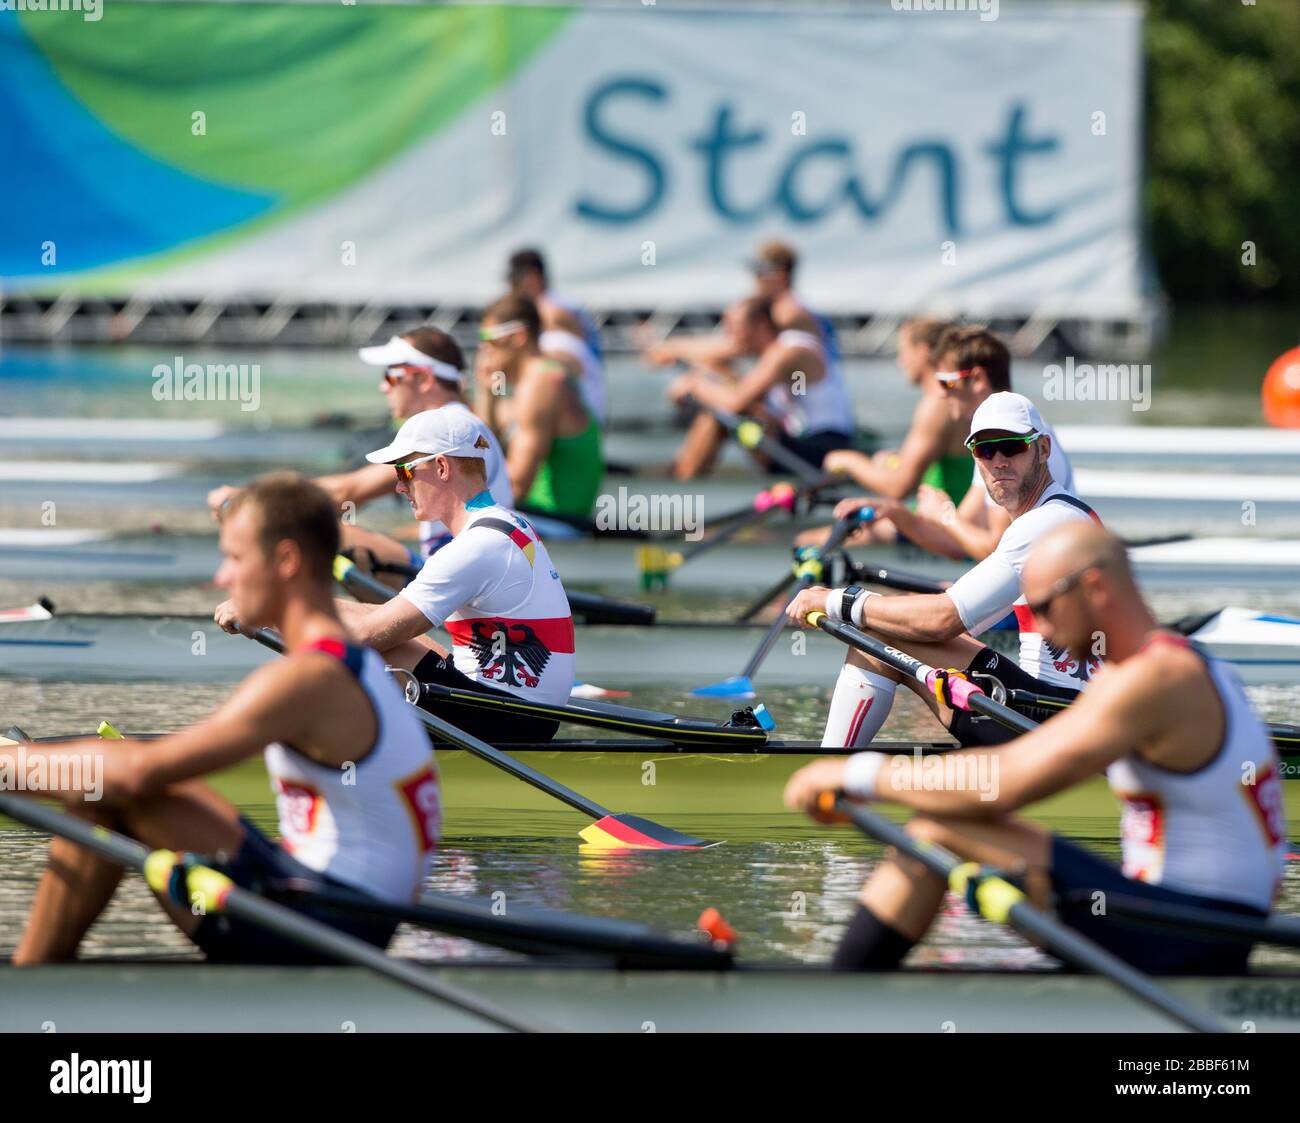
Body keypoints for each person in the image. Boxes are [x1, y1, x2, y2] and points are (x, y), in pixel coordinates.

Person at [784, 522, 1287, 975]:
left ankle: (843, 999)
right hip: (1187, 919)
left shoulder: (1154, 680)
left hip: (1192, 936)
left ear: (1093, 587)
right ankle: (853, 991)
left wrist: (858, 775)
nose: (1040, 631)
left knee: (939, 829)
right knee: (941, 828)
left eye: (1043, 608)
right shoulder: (1186, 665)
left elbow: (1001, 783)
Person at [10, 473, 440, 965]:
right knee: (108, 792)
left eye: (235, 559)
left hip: (330, 933)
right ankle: (36, 978)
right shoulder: (351, 661)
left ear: (285, 561)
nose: (222, 578)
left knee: (124, 784)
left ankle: (29, 985)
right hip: (335, 907)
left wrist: (12, 769)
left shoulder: (309, 679)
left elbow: (138, 772)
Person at [226, 409, 574, 745]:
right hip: (518, 710)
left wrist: (267, 616)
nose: (398, 487)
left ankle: (308, 746)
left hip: (511, 723)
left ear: (441, 467)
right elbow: (377, 618)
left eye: (405, 472)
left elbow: (366, 637)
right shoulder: (505, 523)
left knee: (374, 647)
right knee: (380, 622)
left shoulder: (475, 547)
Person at [786, 391, 1101, 751]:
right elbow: (954, 623)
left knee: (878, 629)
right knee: (891, 621)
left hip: (1060, 724)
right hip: (1059, 712)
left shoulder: (1046, 524)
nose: (998, 461)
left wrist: (838, 600)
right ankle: (835, 759)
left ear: (1043, 449)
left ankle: (829, 765)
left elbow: (942, 621)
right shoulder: (1058, 516)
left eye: (1012, 447)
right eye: (985, 450)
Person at [207, 327, 511, 572]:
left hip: (463, 589)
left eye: (391, 375)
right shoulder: (460, 423)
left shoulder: (448, 431)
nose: (383, 387)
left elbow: (346, 492)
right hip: (460, 575)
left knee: (317, 529)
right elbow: (350, 497)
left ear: (425, 379)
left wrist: (249, 501)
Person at [808, 329, 1074, 562]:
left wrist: (945, 516)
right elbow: (958, 540)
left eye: (947, 381)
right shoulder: (991, 447)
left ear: (978, 379)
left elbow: (993, 548)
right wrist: (894, 512)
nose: (940, 393)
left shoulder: (1015, 446)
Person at [662, 296, 855, 480]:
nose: (729, 336)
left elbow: (735, 402)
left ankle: (681, 485)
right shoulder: (774, 350)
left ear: (761, 325)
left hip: (822, 450)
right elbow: (734, 386)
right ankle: (681, 480)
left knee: (722, 414)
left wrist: (694, 385)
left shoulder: (789, 351)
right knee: (723, 408)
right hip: (795, 444)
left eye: (733, 327)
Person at [473, 294, 604, 520]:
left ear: (518, 337)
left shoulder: (541, 384)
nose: (484, 350)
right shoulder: (536, 378)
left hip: (556, 521)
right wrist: (488, 394)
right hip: (539, 514)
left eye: (490, 339)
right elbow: (485, 447)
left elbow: (516, 486)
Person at [506, 247, 608, 423]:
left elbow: (571, 363)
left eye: (514, 281)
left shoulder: (554, 313)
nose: (510, 288)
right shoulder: (559, 307)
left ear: (532, 278)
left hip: (581, 412)